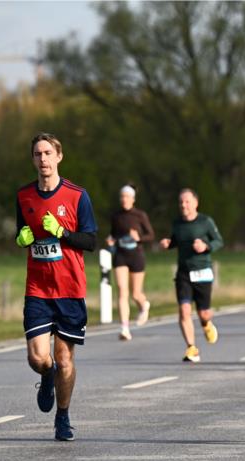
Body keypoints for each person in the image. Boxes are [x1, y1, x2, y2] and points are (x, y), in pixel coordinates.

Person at [15, 133, 97, 441]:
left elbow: (90, 241)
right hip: (37, 288)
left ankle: (62, 417)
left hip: (69, 290)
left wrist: (62, 231)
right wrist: (20, 238)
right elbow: (20, 231)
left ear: (58, 157)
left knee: (64, 359)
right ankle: (45, 375)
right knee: (38, 358)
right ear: (33, 159)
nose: (43, 159)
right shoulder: (24, 196)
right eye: (37, 154)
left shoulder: (77, 196)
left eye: (48, 153)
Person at [159, 189, 224, 362]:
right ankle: (191, 348)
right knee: (184, 310)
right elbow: (176, 240)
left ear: (196, 203)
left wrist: (205, 246)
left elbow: (219, 241)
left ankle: (206, 324)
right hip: (184, 273)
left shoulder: (205, 222)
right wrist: (168, 243)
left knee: (203, 313)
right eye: (181, 202)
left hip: (202, 271)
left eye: (187, 201)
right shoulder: (177, 223)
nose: (183, 205)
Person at [107, 184, 154, 340]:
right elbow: (114, 234)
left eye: (127, 196)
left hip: (136, 256)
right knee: (121, 290)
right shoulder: (116, 216)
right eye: (122, 196)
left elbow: (151, 235)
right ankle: (124, 328)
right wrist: (111, 240)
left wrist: (138, 238)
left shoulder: (140, 215)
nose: (124, 199)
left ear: (133, 199)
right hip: (120, 255)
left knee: (135, 293)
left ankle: (144, 304)